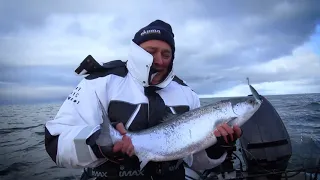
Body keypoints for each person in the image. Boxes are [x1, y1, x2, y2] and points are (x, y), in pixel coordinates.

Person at [44, 19, 242, 180]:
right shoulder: (100, 83)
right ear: (136, 51)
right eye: (150, 52)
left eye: (166, 54)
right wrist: (98, 145)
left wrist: (217, 146)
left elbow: (196, 162)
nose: (160, 60)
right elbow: (56, 142)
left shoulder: (187, 94)